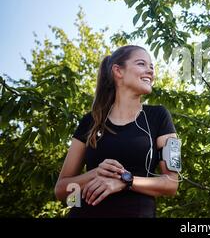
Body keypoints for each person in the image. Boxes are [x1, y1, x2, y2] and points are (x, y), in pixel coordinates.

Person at [55, 45, 179, 218]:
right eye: (142, 64)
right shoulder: (90, 121)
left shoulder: (159, 116)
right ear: (118, 71)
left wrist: (125, 181)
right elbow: (62, 190)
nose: (150, 71)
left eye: (152, 66)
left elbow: (172, 184)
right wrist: (94, 174)